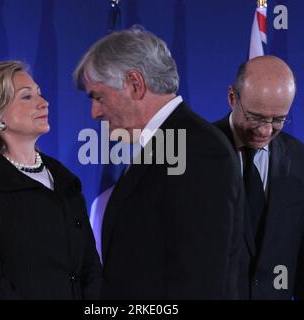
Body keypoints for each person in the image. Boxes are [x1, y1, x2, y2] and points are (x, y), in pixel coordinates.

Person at [73, 26, 244, 299]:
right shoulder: (164, 143)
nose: (95, 113)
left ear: (134, 84)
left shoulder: (198, 150)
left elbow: (199, 283)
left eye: (99, 96)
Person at [0, 60, 101, 299]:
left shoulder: (65, 180)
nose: (44, 103)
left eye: (40, 94)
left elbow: (90, 266)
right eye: (26, 97)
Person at [214, 55, 304, 299]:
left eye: (278, 119)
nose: (265, 130)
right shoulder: (196, 152)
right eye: (256, 117)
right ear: (232, 97)